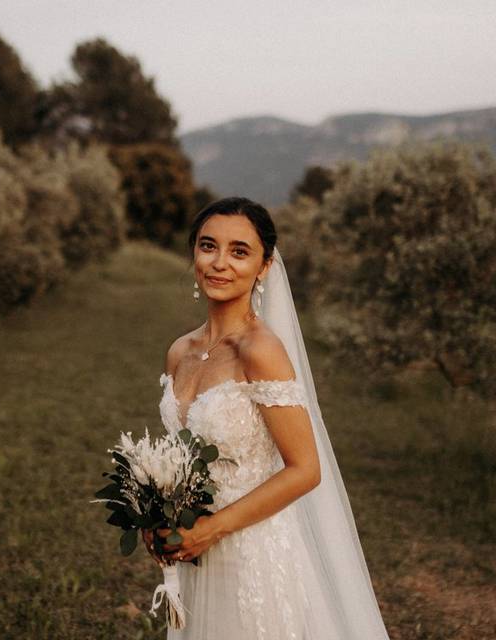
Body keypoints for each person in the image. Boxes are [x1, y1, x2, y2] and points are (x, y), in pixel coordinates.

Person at [143, 197, 391, 639]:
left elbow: (305, 470)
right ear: (194, 254)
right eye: (208, 246)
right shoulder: (179, 351)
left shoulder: (261, 351)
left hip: (250, 551)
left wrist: (212, 530)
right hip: (195, 550)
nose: (220, 263)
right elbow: (178, 457)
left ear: (264, 266)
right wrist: (157, 520)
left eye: (240, 251)